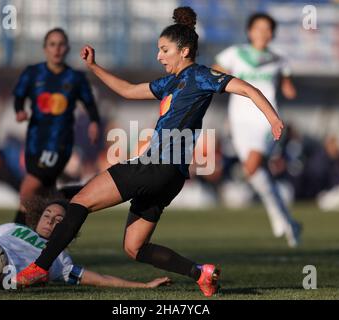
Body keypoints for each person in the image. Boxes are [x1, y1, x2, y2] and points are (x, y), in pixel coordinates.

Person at [16, 7, 284, 297]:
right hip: (171, 175)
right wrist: (95, 67)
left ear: (183, 51)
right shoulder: (170, 82)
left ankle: (39, 268)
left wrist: (273, 119)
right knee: (134, 247)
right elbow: (129, 91)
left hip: (157, 165)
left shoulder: (202, 76)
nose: (159, 56)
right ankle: (201, 273)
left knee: (80, 201)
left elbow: (248, 89)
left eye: (164, 49)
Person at [0, 198, 170, 290]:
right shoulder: (14, 228)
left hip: (0, 271)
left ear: (67, 228)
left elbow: (100, 279)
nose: (50, 220)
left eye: (59, 220)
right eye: (47, 215)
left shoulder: (60, 258)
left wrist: (144, 287)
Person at [213, 13, 301, 247]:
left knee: (251, 165)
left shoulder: (279, 60)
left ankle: (278, 216)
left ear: (272, 33)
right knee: (255, 173)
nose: (263, 32)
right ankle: (288, 220)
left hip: (266, 120)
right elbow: (213, 73)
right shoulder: (235, 53)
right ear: (249, 31)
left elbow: (289, 89)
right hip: (239, 122)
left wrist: (290, 84)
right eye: (258, 28)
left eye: (267, 29)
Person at [13, 28, 101, 225]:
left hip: (58, 142)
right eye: (52, 44)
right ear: (45, 48)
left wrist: (94, 122)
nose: (57, 49)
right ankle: (52, 228)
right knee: (46, 191)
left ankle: (15, 229)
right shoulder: (32, 73)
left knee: (29, 186)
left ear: (67, 48)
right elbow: (19, 96)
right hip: (35, 141)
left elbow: (89, 104)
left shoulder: (75, 78)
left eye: (61, 44)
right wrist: (19, 110)